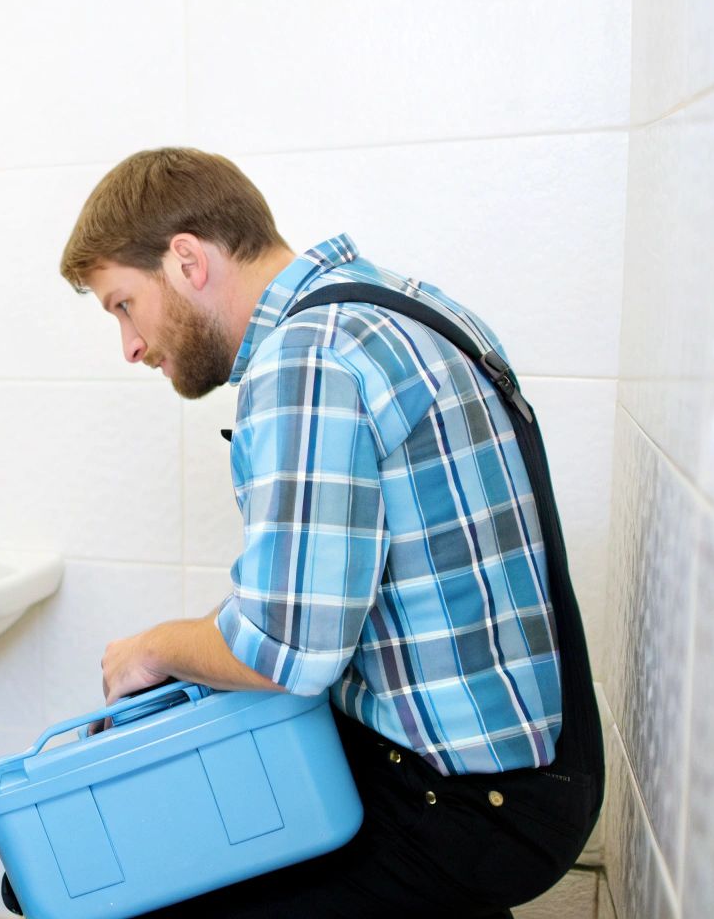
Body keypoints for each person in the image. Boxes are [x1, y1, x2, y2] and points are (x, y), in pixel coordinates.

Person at [45, 148, 603, 917]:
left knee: (130, 888)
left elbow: (286, 652)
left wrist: (152, 648)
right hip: (527, 773)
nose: (130, 346)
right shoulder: (398, 304)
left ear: (185, 261)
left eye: (122, 305)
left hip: (466, 806)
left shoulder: (306, 359)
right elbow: (306, 601)